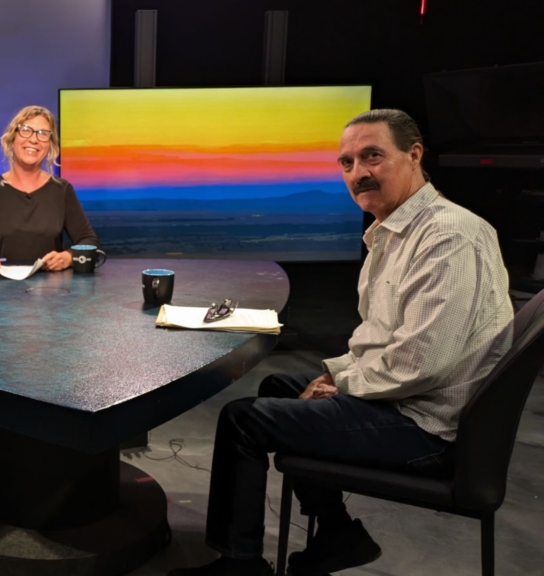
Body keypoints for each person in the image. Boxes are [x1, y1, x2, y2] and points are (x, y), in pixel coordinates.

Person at [170, 109, 514, 576]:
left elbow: (421, 362)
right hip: (409, 402)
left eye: (372, 156)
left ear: (414, 156)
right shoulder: (391, 231)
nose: (358, 174)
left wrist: (344, 386)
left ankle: (240, 565)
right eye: (347, 163)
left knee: (242, 420)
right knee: (278, 387)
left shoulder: (449, 236)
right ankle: (337, 533)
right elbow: (378, 336)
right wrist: (335, 374)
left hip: (428, 427)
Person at [0, 105, 100, 273]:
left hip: (52, 292)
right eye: (26, 130)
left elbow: (90, 241)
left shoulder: (62, 190)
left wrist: (68, 257)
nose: (34, 139)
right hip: (2, 291)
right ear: (12, 138)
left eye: (43, 134)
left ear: (50, 146)